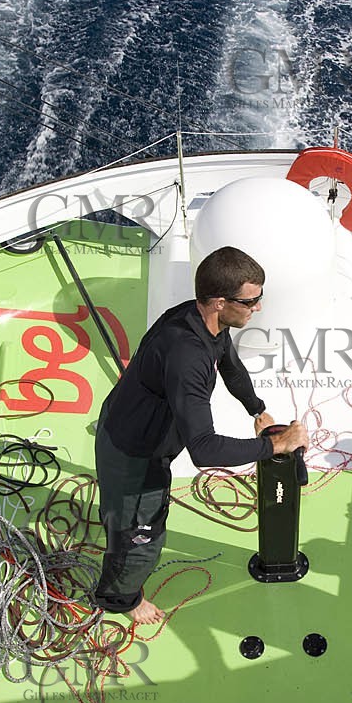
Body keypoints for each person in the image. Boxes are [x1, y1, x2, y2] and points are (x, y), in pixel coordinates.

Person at [92, 246, 309, 623]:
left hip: (136, 423)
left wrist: (256, 409)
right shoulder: (186, 355)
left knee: (125, 519)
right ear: (220, 302)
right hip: (134, 453)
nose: (258, 307)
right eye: (252, 300)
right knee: (142, 539)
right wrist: (275, 444)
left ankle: (117, 519)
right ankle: (119, 599)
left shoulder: (201, 320)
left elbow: (230, 365)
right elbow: (204, 451)